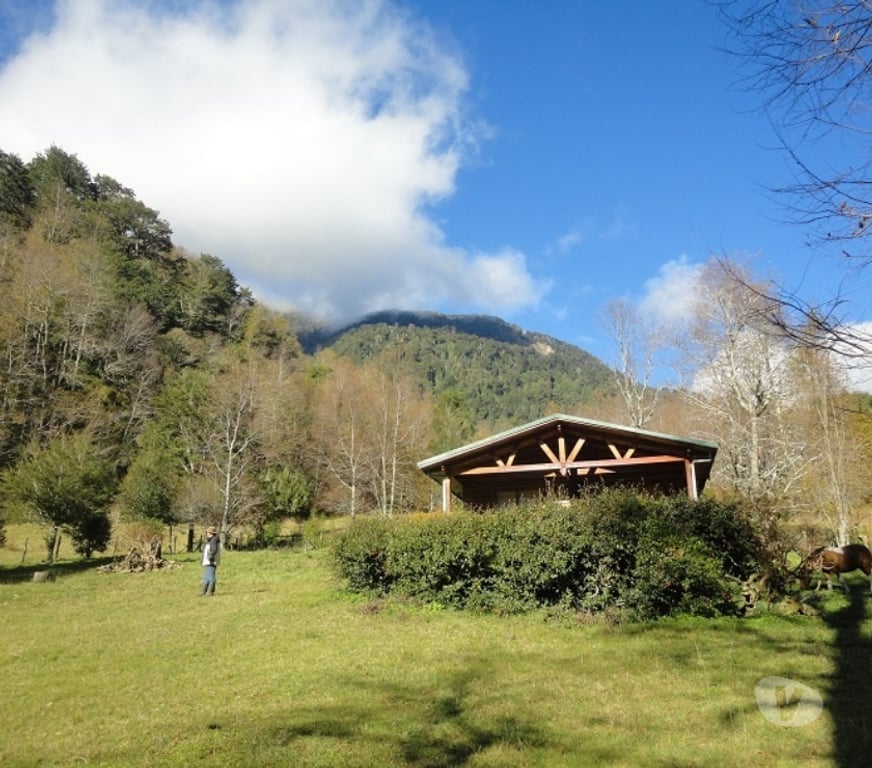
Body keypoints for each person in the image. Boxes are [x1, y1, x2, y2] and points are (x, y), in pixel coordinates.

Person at [199, 526, 221, 596]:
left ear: (211, 533)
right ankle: (203, 591)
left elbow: (213, 550)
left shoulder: (213, 540)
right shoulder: (211, 540)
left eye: (208, 532)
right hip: (209, 561)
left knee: (210, 577)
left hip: (211, 561)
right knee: (206, 577)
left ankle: (210, 592)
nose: (207, 533)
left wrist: (210, 558)